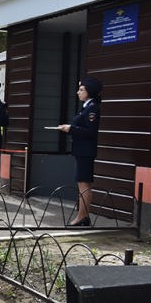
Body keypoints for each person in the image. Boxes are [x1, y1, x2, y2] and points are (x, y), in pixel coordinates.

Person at [58, 77, 102, 226]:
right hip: (81, 150)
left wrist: (71, 128)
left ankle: (82, 216)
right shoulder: (86, 107)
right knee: (82, 183)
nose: (78, 92)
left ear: (89, 91)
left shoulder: (92, 108)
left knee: (84, 184)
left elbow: (90, 132)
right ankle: (84, 216)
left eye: (81, 89)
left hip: (86, 151)